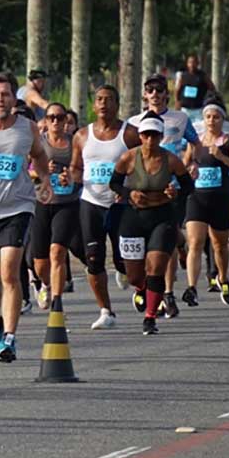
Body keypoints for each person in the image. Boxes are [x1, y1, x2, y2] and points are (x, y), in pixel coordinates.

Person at [0, 73, 52, 362]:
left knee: (9, 272)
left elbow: (40, 155)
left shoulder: (26, 127)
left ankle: (10, 336)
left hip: (17, 207)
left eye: (5, 94)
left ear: (14, 98)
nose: (0, 99)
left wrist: (45, 181)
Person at [109, 113, 195, 335]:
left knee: (156, 268)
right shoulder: (128, 158)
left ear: (161, 136)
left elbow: (188, 186)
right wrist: (130, 194)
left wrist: (174, 192)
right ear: (140, 136)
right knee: (136, 275)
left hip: (162, 217)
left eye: (155, 136)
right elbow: (114, 183)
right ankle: (142, 289)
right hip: (133, 217)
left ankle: (150, 317)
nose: (150, 140)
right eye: (146, 135)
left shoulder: (171, 160)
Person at [129, 73, 200, 318]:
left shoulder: (180, 118)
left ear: (167, 94)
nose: (156, 95)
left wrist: (191, 163)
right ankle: (145, 285)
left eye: (160, 91)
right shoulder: (135, 121)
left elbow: (195, 142)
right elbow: (127, 153)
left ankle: (166, 294)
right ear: (145, 95)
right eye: (151, 91)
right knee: (144, 245)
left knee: (163, 244)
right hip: (143, 191)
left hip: (172, 190)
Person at [70, 85, 140, 330]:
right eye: (99, 99)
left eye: (108, 99)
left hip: (120, 205)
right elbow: (76, 167)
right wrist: (72, 178)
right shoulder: (82, 135)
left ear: (117, 104)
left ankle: (128, 276)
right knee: (94, 259)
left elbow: (142, 164)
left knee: (126, 262)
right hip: (91, 202)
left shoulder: (130, 134)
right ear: (94, 104)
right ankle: (106, 310)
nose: (103, 104)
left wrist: (131, 189)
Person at [182, 103, 229, 306]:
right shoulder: (196, 142)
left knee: (219, 246)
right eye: (208, 117)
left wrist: (223, 158)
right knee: (195, 242)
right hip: (197, 198)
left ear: (223, 120)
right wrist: (190, 168)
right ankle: (191, 288)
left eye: (216, 117)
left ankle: (223, 278)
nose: (212, 121)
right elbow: (184, 164)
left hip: (220, 199)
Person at [30, 102, 85, 315]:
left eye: (60, 118)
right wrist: (40, 171)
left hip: (67, 204)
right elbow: (25, 170)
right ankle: (45, 284)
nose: (56, 121)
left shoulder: (74, 144)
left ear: (66, 121)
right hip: (42, 203)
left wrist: (70, 176)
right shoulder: (38, 143)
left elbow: (82, 171)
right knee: (40, 263)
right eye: (51, 117)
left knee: (58, 251)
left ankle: (58, 299)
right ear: (45, 119)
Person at [174, 54, 213, 122]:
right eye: (190, 62)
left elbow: (212, 88)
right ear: (187, 64)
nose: (192, 64)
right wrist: (177, 102)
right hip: (185, 109)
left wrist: (208, 101)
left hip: (198, 109)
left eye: (194, 62)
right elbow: (177, 90)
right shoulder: (183, 75)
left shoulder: (202, 76)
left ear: (198, 63)